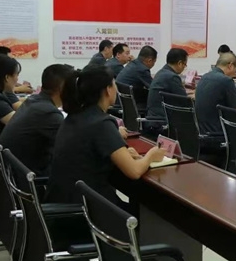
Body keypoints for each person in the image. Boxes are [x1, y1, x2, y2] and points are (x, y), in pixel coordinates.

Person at [45, 65, 166, 209]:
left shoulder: (76, 115)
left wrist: (124, 154)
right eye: (114, 84)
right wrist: (151, 155)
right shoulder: (101, 123)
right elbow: (134, 171)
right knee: (146, 207)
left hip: (64, 199)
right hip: (86, 208)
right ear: (108, 90)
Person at [0, 64, 74, 176]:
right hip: (29, 177)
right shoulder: (49, 113)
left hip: (13, 172)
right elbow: (72, 147)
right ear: (62, 88)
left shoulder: (34, 100)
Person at [195, 52, 236, 135]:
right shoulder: (226, 80)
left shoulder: (204, 76)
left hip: (202, 130)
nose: (234, 75)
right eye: (235, 71)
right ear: (230, 66)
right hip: (218, 132)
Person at [146, 48, 189, 132]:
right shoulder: (172, 77)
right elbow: (185, 102)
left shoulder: (161, 72)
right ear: (179, 63)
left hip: (153, 119)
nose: (184, 67)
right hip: (163, 122)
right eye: (185, 64)